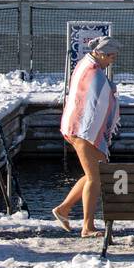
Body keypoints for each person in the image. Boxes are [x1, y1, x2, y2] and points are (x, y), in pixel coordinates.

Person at [53, 36, 122, 236]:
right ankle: (87, 227)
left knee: (96, 173)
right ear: (100, 53)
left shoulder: (85, 64)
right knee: (95, 177)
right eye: (110, 56)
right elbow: (95, 103)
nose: (112, 60)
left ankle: (63, 209)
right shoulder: (94, 73)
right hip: (82, 130)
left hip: (78, 127)